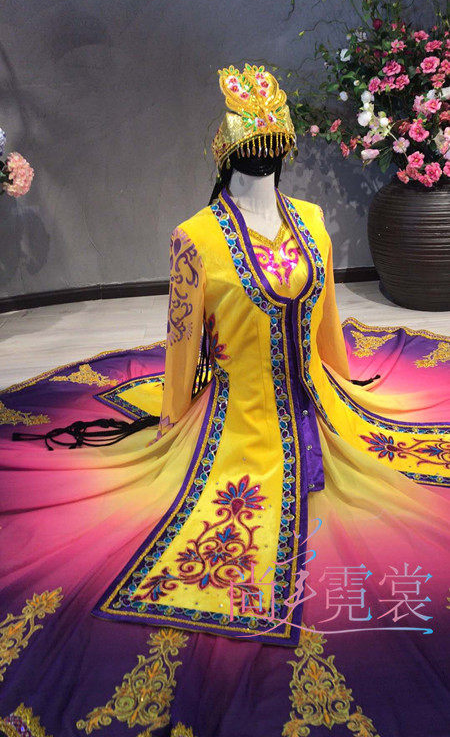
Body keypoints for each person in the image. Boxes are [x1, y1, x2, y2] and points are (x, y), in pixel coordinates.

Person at [0, 62, 449, 737]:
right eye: (257, 145)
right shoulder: (196, 238)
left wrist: (342, 376)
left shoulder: (311, 220)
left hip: (319, 403)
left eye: (271, 144)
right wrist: (174, 414)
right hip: (238, 419)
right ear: (235, 152)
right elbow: (183, 341)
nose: (265, 156)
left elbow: (326, 316)